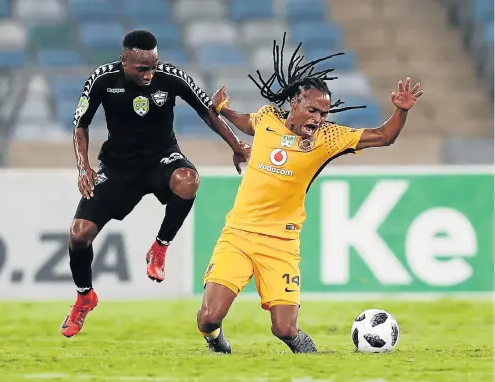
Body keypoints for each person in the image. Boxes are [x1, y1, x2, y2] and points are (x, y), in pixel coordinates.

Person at [196, 33, 423, 354]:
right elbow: (246, 123)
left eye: (324, 114)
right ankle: (215, 341)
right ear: (294, 104)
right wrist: (224, 110)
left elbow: (384, 136)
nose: (318, 119)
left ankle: (316, 363)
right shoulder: (267, 119)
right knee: (208, 318)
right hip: (238, 235)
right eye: (313, 110)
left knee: (285, 329)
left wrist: (401, 111)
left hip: (281, 244)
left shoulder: (328, 138)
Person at [61, 30, 250, 338]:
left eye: (153, 66)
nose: (150, 74)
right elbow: (80, 123)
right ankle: (84, 297)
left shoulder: (172, 78)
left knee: (188, 181)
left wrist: (236, 144)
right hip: (118, 167)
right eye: (141, 69)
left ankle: (159, 248)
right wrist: (84, 167)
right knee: (79, 235)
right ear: (124, 61)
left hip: (162, 159)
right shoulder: (102, 80)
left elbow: (208, 113)